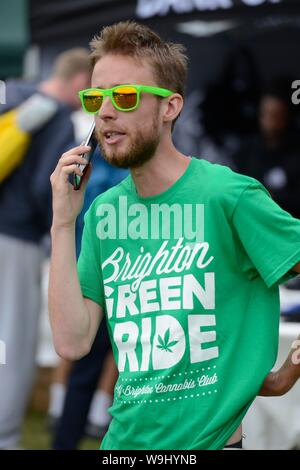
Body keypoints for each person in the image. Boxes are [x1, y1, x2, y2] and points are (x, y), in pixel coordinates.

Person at [49, 22, 300, 450]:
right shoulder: (104, 212)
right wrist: (62, 223)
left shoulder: (228, 195)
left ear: (170, 108)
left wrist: (285, 371)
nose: (105, 111)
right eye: (96, 97)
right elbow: (73, 342)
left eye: (124, 96)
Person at [0, 48, 91, 450]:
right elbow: (46, 188)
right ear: (77, 82)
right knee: (12, 342)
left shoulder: (15, 95)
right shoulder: (57, 117)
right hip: (17, 241)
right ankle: (5, 435)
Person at [233, 81, 300, 218]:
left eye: (274, 115)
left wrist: (272, 198)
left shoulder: (295, 154)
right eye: (264, 114)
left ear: (287, 117)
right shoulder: (248, 150)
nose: (268, 121)